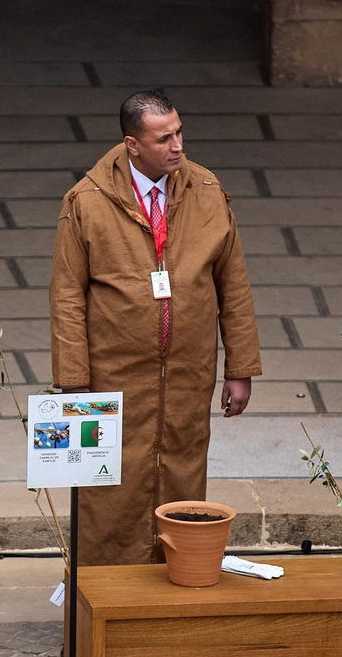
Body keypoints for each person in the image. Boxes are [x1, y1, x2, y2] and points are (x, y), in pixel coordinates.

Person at [49, 89, 263, 565]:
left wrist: (241, 367)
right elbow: (66, 296)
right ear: (132, 144)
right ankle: (104, 593)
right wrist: (73, 382)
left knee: (184, 478)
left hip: (188, 372)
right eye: (164, 138)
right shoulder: (87, 201)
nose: (178, 145)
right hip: (112, 377)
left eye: (179, 132)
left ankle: (178, 583)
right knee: (109, 488)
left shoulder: (205, 191)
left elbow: (235, 284)